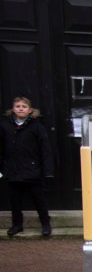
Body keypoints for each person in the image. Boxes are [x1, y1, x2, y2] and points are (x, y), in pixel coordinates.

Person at [1, 96, 55, 237]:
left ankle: (45, 223)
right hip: (12, 170)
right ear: (13, 109)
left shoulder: (37, 127)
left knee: (39, 199)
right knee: (15, 201)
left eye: (24, 106)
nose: (20, 108)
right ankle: (17, 225)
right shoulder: (5, 126)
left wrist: (48, 171)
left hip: (32, 170)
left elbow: (45, 149)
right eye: (17, 106)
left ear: (30, 110)